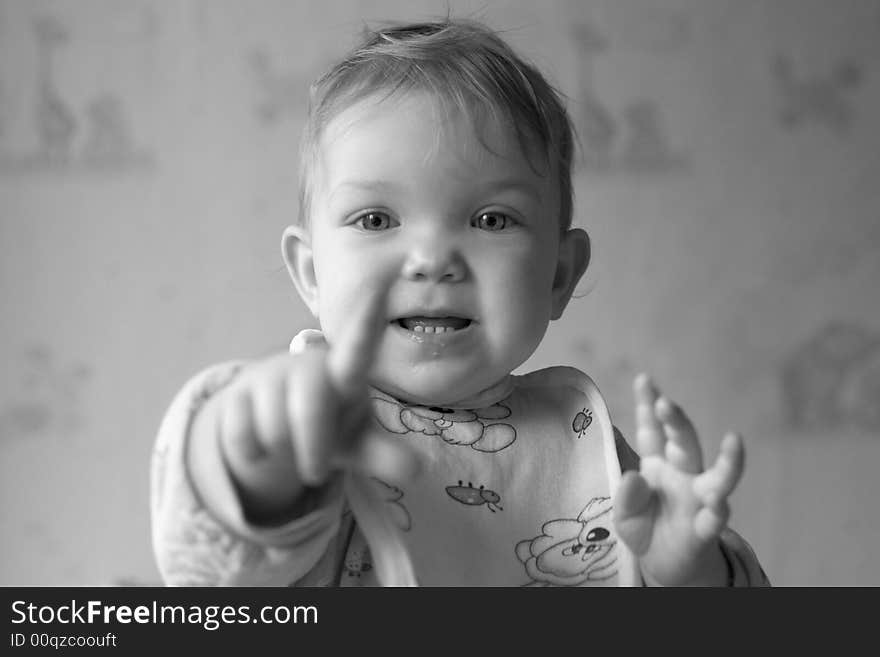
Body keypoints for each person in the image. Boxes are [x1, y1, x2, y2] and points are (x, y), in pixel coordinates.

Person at [151, 18, 769, 587]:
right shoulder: (313, 426)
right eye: (375, 218)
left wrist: (688, 572)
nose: (431, 258)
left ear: (558, 276)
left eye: (491, 218)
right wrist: (247, 453)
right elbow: (213, 565)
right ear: (312, 274)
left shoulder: (583, 445)